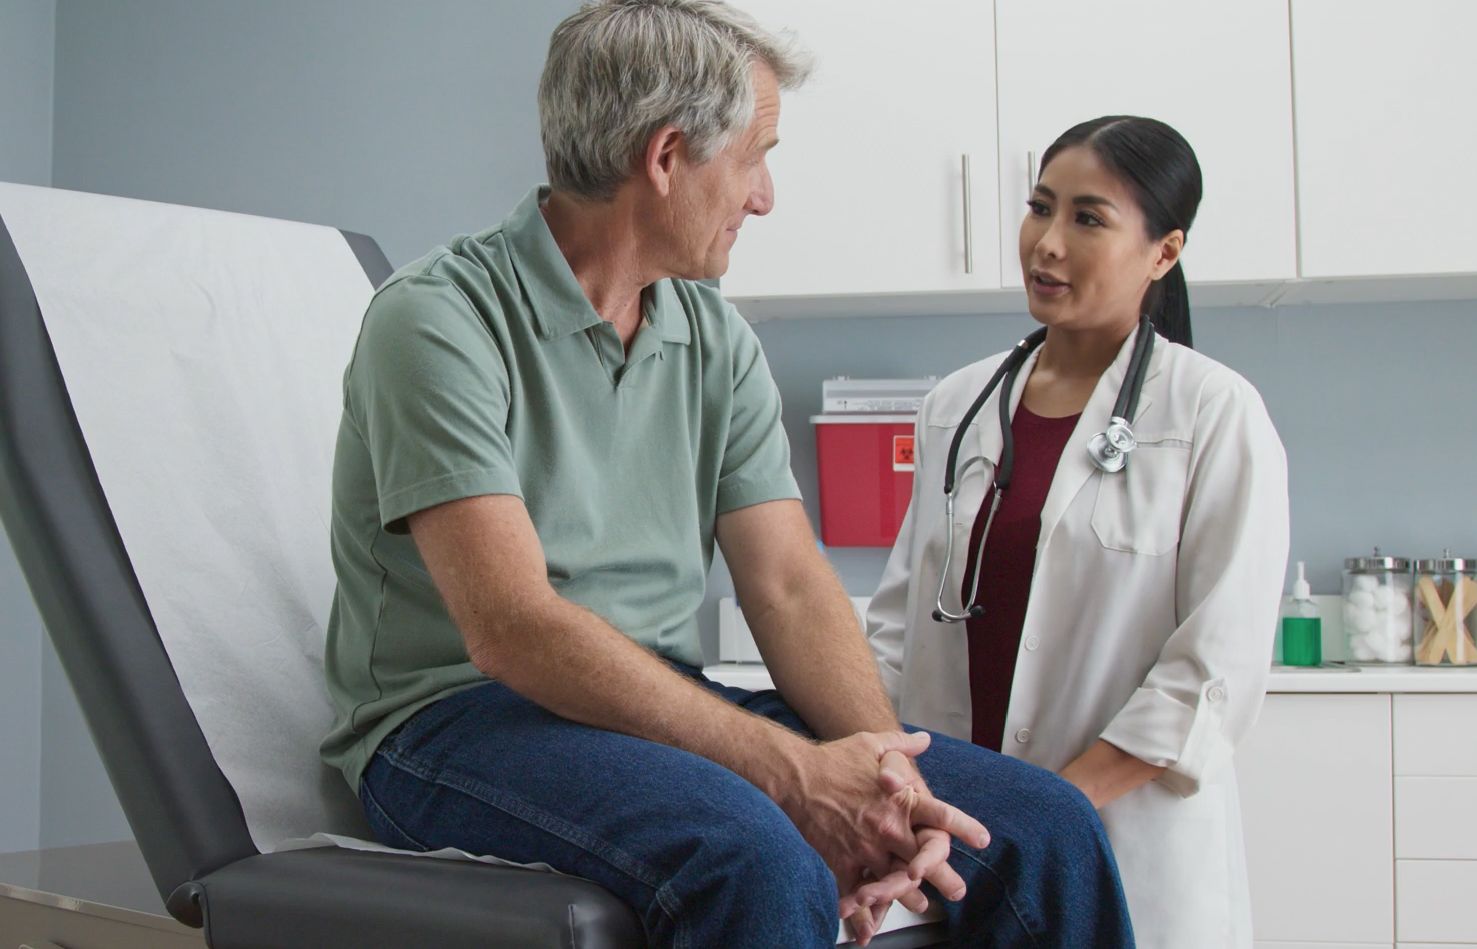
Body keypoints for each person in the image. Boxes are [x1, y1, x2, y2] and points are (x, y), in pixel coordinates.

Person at [321, 2, 1134, 945]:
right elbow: (513, 628)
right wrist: (790, 774)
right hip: (453, 722)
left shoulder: (711, 335)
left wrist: (882, 774)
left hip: (654, 699)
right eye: (755, 156)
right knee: (756, 851)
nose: (764, 196)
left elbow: (786, 584)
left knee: (1047, 829)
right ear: (666, 158)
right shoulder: (437, 322)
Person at [866, 115, 1290, 948]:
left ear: (1163, 252)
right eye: (1039, 206)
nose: (1046, 242)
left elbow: (1207, 676)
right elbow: (897, 626)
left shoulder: (1213, 413)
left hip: (1113, 847)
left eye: (1087, 218)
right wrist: (885, 782)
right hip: (950, 847)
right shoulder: (958, 403)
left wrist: (1035, 815)